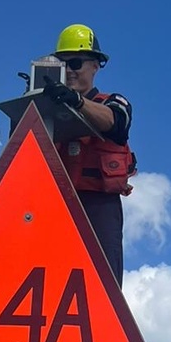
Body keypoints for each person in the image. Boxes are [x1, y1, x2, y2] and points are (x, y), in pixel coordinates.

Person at [39, 24, 134, 286]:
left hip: (97, 206)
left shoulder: (113, 102)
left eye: (76, 63)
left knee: (102, 285)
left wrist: (76, 102)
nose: (69, 70)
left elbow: (116, 121)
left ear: (95, 65)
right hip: (52, 207)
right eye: (62, 63)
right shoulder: (43, 109)